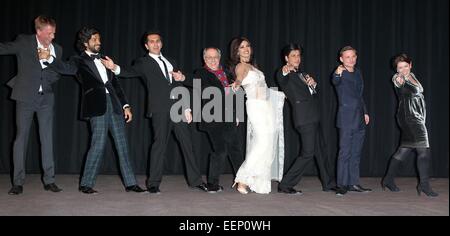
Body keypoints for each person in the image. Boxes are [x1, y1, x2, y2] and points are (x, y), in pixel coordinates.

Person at [49, 27, 145, 194]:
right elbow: (64, 68)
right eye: (95, 39)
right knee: (98, 144)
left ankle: (131, 183)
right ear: (86, 43)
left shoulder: (105, 60)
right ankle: (86, 183)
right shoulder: (78, 60)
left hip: (114, 104)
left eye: (99, 39)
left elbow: (115, 84)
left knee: (122, 145)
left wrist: (125, 105)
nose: (98, 42)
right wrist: (50, 59)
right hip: (96, 105)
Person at [114, 31, 207, 194]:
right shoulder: (143, 62)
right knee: (159, 146)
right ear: (146, 45)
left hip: (178, 108)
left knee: (188, 144)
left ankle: (196, 181)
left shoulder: (171, 61)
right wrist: (114, 67)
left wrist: (187, 108)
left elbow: (179, 85)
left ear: (161, 43)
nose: (155, 44)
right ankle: (153, 183)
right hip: (159, 109)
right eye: (151, 42)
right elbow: (128, 72)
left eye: (157, 41)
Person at [0, 15, 63, 195]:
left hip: (46, 99)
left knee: (47, 138)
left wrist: (47, 71)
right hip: (25, 98)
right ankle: (18, 182)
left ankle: (49, 180)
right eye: (49, 33)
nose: (52, 37)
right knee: (21, 138)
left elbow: (57, 73)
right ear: (39, 31)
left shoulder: (57, 49)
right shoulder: (24, 42)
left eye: (54, 33)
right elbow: (3, 48)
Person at [275, 43, 334, 194]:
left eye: (298, 55)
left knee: (321, 151)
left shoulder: (303, 74)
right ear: (286, 58)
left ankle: (328, 184)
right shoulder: (286, 73)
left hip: (314, 116)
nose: (297, 58)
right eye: (293, 55)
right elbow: (281, 77)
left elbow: (312, 94)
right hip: (304, 118)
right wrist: (284, 70)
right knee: (308, 153)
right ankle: (285, 184)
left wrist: (313, 85)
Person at [229, 37, 285, 194]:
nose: (246, 49)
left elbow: (263, 88)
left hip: (266, 106)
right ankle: (242, 178)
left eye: (248, 46)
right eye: (242, 47)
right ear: (237, 51)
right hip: (256, 106)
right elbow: (239, 77)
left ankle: (258, 181)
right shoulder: (241, 66)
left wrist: (279, 95)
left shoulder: (253, 67)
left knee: (268, 143)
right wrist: (237, 83)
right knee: (262, 143)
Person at [189, 47, 245, 193]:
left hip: (229, 116)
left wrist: (237, 113)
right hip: (212, 117)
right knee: (220, 150)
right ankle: (212, 184)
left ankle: (243, 181)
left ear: (219, 58)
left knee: (235, 149)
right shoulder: (201, 74)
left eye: (215, 57)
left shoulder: (227, 73)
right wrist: (183, 79)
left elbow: (236, 92)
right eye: (209, 57)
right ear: (204, 59)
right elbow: (194, 87)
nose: (213, 60)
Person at [382, 53, 438, 197]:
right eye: (399, 67)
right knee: (423, 151)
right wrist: (400, 79)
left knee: (404, 150)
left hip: (416, 117)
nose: (403, 69)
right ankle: (424, 186)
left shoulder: (412, 76)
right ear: (396, 69)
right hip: (410, 118)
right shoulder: (397, 78)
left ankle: (388, 180)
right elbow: (398, 82)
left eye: (405, 66)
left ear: (410, 65)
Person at [331, 46, 371, 196]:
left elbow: (360, 95)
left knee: (356, 152)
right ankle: (341, 184)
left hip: (360, 117)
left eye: (353, 56)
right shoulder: (340, 72)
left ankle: (353, 182)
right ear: (341, 59)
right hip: (347, 118)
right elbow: (334, 81)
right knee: (345, 152)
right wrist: (337, 73)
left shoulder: (358, 73)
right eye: (347, 57)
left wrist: (365, 112)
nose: (351, 59)